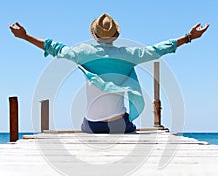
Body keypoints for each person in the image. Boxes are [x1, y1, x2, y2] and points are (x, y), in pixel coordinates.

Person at [9, 14, 209, 134]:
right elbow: (157, 49)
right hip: (119, 125)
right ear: (115, 35)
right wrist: (189, 37)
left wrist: (24, 36)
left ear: (94, 35)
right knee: (127, 120)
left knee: (84, 123)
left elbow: (53, 47)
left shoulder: (82, 53)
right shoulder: (128, 55)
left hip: (92, 126)